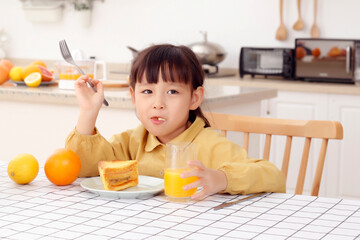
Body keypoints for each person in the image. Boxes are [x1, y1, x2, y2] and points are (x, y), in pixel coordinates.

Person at [65, 44, 286, 200]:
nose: (158, 103)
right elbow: (83, 167)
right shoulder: (132, 142)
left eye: (172, 91)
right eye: (148, 91)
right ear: (133, 97)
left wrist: (221, 178)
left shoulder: (210, 144)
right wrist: (88, 111)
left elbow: (272, 176)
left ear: (194, 98)